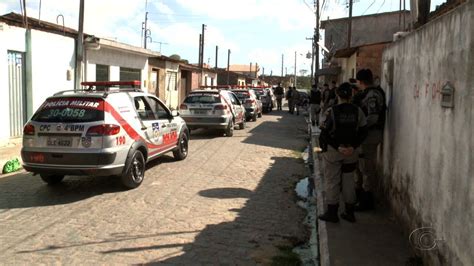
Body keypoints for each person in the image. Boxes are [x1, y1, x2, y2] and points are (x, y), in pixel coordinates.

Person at [318, 82, 368, 223]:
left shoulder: (331, 111)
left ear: (338, 95)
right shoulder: (358, 111)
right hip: (351, 153)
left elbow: (325, 133)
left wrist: (337, 147)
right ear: (351, 95)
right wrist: (353, 146)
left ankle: (332, 213)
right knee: (349, 181)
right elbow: (364, 131)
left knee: (332, 181)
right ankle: (350, 212)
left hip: (334, 152)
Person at [353, 69, 387, 211]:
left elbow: (373, 117)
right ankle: (361, 197)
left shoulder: (372, 94)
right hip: (367, 135)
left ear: (361, 82)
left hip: (370, 135)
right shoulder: (370, 93)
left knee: (366, 168)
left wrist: (360, 128)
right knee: (361, 167)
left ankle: (367, 202)